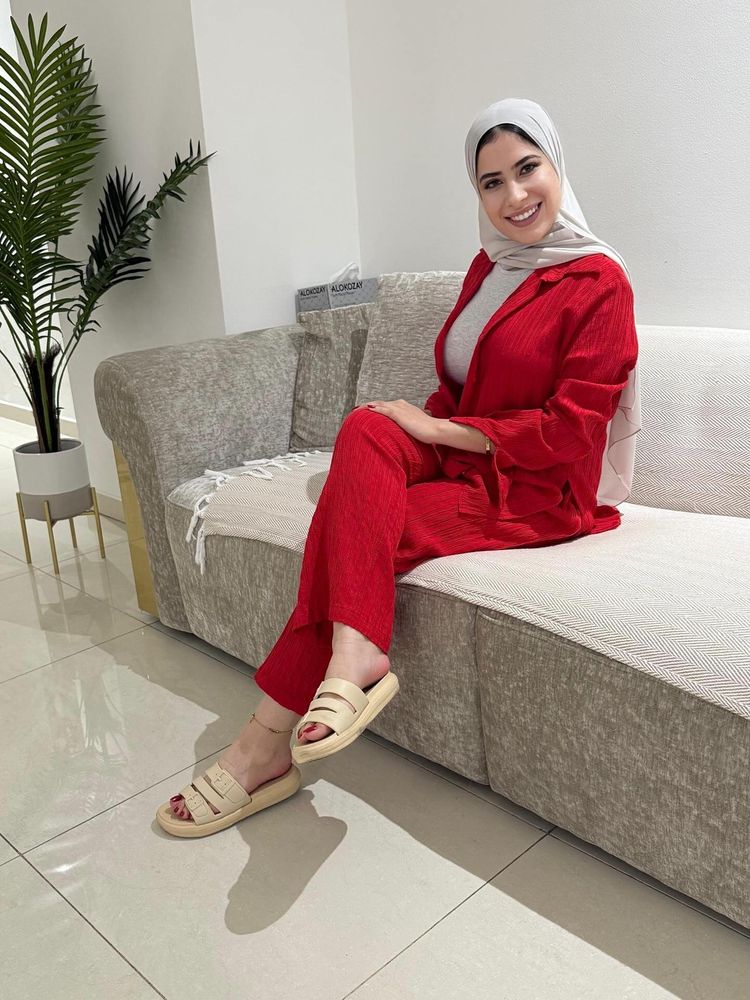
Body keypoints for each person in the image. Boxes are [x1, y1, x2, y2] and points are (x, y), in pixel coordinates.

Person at [156, 97, 641, 837]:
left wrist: (445, 431)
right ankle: (358, 652)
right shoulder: (491, 266)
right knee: (368, 426)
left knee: (350, 534)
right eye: (490, 182)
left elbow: (575, 432)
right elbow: (463, 382)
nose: (514, 196)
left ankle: (261, 748)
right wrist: (424, 427)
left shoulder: (599, 283)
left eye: (527, 169)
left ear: (556, 167)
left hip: (536, 489)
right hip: (465, 451)